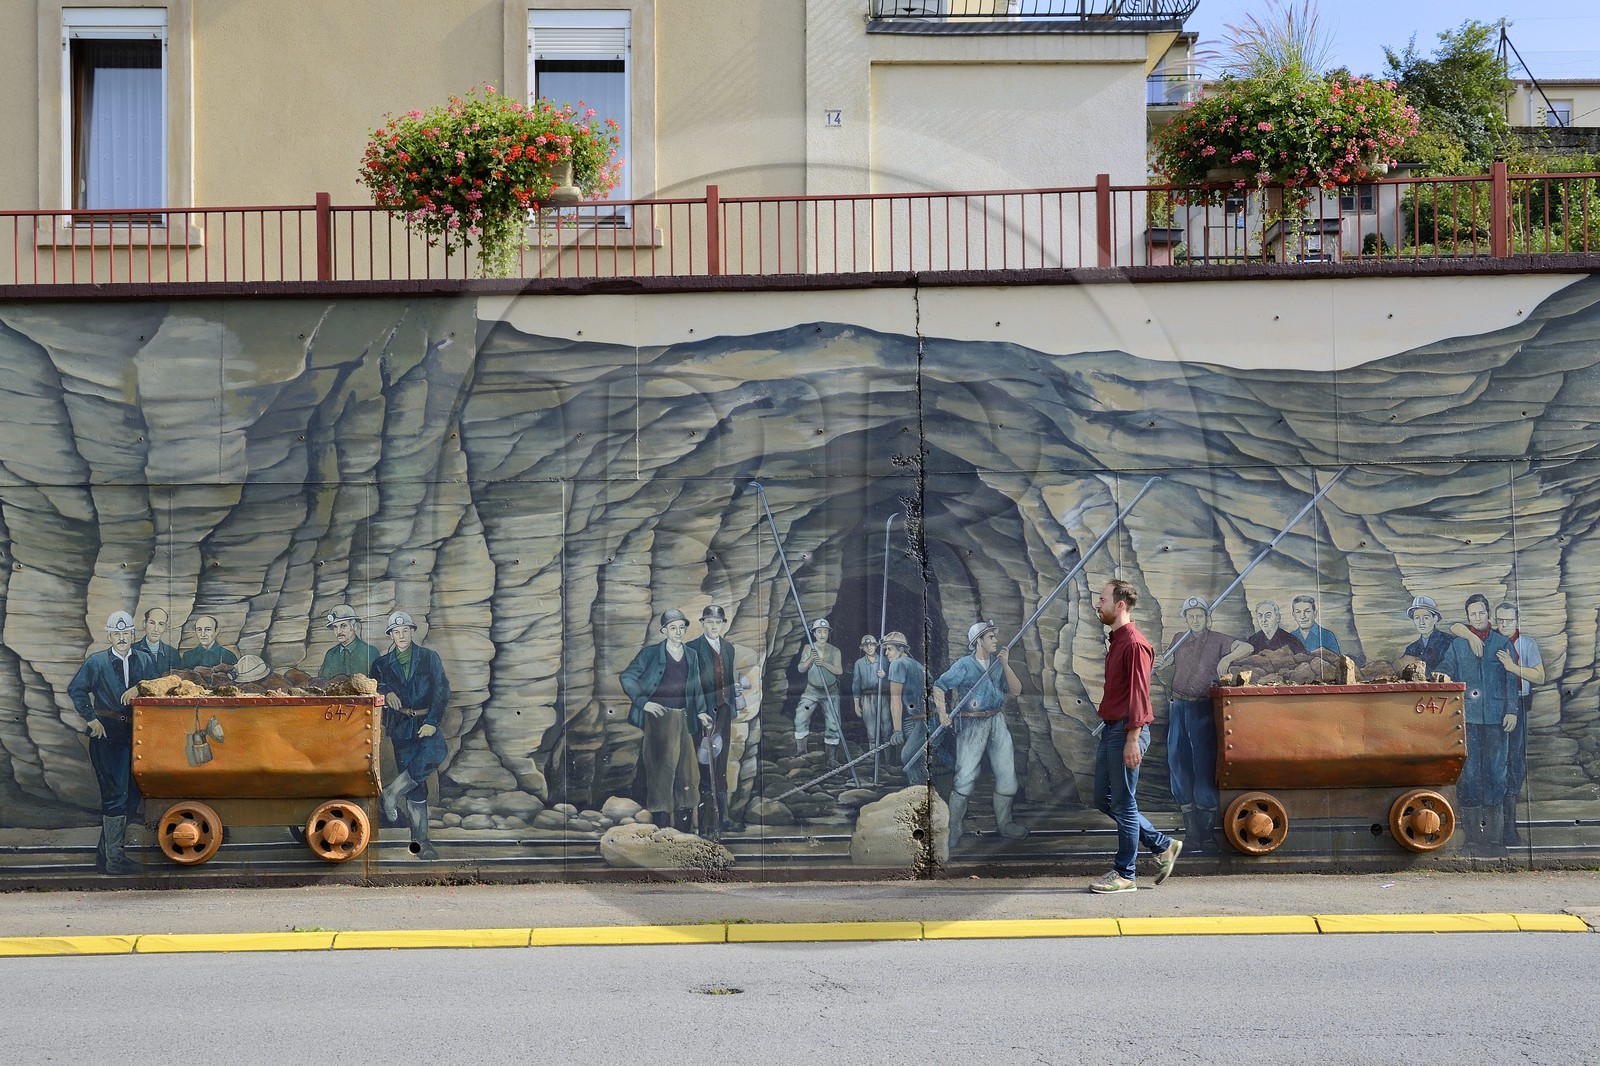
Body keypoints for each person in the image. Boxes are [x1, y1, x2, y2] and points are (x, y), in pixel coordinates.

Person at [1089, 580, 1180, 893]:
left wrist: (1132, 738)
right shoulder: (1118, 641)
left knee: (1125, 804)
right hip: (1114, 729)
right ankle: (1162, 844)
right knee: (1105, 799)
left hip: (1128, 730)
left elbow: (1141, 696)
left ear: (1120, 605)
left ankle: (1124, 874)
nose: (1097, 605)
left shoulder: (1134, 644)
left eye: (1102, 599)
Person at [67, 611, 159, 874]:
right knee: (115, 796)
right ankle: (115, 861)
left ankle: (105, 857)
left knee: (131, 797)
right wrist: (91, 718)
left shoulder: (143, 659)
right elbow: (76, 689)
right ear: (109, 636)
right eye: (116, 634)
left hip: (135, 735)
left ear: (133, 635)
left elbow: (158, 684)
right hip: (106, 736)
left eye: (126, 633)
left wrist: (140, 688)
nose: (121, 638)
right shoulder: (96, 663)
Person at [932, 620, 1028, 849]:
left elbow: (1016, 690)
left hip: (996, 720)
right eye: (991, 637)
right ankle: (954, 827)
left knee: (1006, 773)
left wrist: (1005, 665)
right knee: (965, 776)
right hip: (972, 724)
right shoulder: (964, 665)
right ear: (978, 641)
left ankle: (1005, 824)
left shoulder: (997, 664)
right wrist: (943, 713)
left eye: (995, 637)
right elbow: (939, 685)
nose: (995, 640)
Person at [1166, 596, 1250, 854]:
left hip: (1202, 708)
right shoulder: (1179, 638)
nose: (1195, 620)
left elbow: (1246, 647)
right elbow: (1166, 661)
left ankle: (1207, 837)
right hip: (1178, 707)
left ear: (1207, 617)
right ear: (1186, 619)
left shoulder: (1218, 639)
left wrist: (1228, 658)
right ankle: (1191, 836)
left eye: (1199, 616)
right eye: (1190, 616)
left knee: (1203, 764)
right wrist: (1159, 662)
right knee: (1178, 763)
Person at [1436, 593, 1520, 854]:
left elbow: (1510, 681)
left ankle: (1494, 841)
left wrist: (1512, 711)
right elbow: (1446, 666)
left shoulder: (1502, 643)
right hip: (1468, 720)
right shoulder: (1458, 645)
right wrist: (1443, 673)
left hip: (1497, 720)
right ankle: (1472, 840)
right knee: (1470, 776)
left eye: (1481, 613)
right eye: (1472, 614)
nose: (1477, 618)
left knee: (1496, 775)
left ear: (1488, 614)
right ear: (1468, 617)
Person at [621, 609, 708, 833]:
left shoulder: (691, 655)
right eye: (673, 628)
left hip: (684, 717)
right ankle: (661, 828)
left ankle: (684, 830)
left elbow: (695, 686)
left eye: (681, 627)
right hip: (659, 718)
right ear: (664, 631)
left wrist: (700, 711)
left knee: (686, 771)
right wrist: (643, 702)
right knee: (661, 769)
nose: (678, 632)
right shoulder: (650, 654)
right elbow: (627, 676)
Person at [372, 611, 451, 860]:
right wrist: (386, 692)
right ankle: (422, 843)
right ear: (391, 635)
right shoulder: (382, 664)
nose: (401, 636)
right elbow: (373, 685)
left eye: (405, 630)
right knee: (417, 789)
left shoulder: (429, 658)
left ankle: (392, 792)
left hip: (426, 722)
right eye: (396, 632)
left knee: (438, 750)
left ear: (412, 632)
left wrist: (432, 722)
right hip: (401, 725)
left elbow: (441, 691)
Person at [1492, 602, 1542, 846]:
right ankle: (1493, 829)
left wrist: (1513, 667)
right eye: (1500, 620)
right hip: (1493, 707)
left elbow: (1539, 676)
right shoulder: (1490, 642)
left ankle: (1510, 828)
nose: (1504, 625)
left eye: (1509, 621)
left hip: (1520, 706)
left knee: (1514, 762)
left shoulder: (1526, 644)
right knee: (1495, 763)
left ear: (1517, 621)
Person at [687, 605, 738, 839]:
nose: (713, 626)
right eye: (709, 622)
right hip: (705, 714)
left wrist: (731, 708)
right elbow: (692, 686)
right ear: (702, 623)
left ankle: (724, 818)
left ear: (723, 624)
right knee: (706, 766)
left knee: (721, 764)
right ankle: (708, 823)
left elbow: (729, 679)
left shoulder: (728, 648)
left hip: (724, 712)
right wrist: (700, 711)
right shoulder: (693, 648)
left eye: (717, 622)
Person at [881, 632, 930, 785]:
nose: (886, 653)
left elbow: (895, 699)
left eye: (889, 649)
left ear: (901, 649)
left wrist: (897, 730)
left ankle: (918, 789)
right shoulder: (919, 666)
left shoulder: (897, 664)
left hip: (920, 720)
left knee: (908, 757)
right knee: (919, 757)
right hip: (924, 718)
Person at [793, 617, 844, 762]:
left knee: (833, 723)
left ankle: (831, 759)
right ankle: (801, 752)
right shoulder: (808, 648)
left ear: (828, 634)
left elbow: (839, 671)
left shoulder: (835, 651)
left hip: (830, 691)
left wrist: (823, 663)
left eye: (825, 632)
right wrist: (810, 659)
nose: (822, 634)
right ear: (814, 634)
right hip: (812, 691)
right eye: (819, 631)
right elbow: (801, 669)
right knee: (801, 716)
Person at [319, 604, 378, 678]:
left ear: (355, 627)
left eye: (343, 626)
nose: (338, 631)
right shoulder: (330, 654)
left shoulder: (370, 652)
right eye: (335, 627)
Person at [851, 634, 889, 747]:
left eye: (872, 645)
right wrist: (856, 705)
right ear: (862, 648)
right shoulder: (859, 663)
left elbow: (894, 680)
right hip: (867, 698)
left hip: (884, 697)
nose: (869, 647)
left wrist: (885, 676)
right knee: (871, 731)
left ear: (876, 646)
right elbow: (856, 683)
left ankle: (887, 761)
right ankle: (873, 758)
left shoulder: (885, 661)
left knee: (887, 728)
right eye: (866, 645)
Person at [1399, 595, 1451, 674]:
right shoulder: (1411, 649)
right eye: (1417, 618)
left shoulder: (1449, 642)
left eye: (1426, 618)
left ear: (1435, 619)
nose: (1421, 623)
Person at [133, 607, 181, 676]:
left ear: (165, 627)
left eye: (161, 624)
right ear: (144, 624)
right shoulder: (132, 650)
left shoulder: (173, 654)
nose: (156, 629)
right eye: (152, 623)